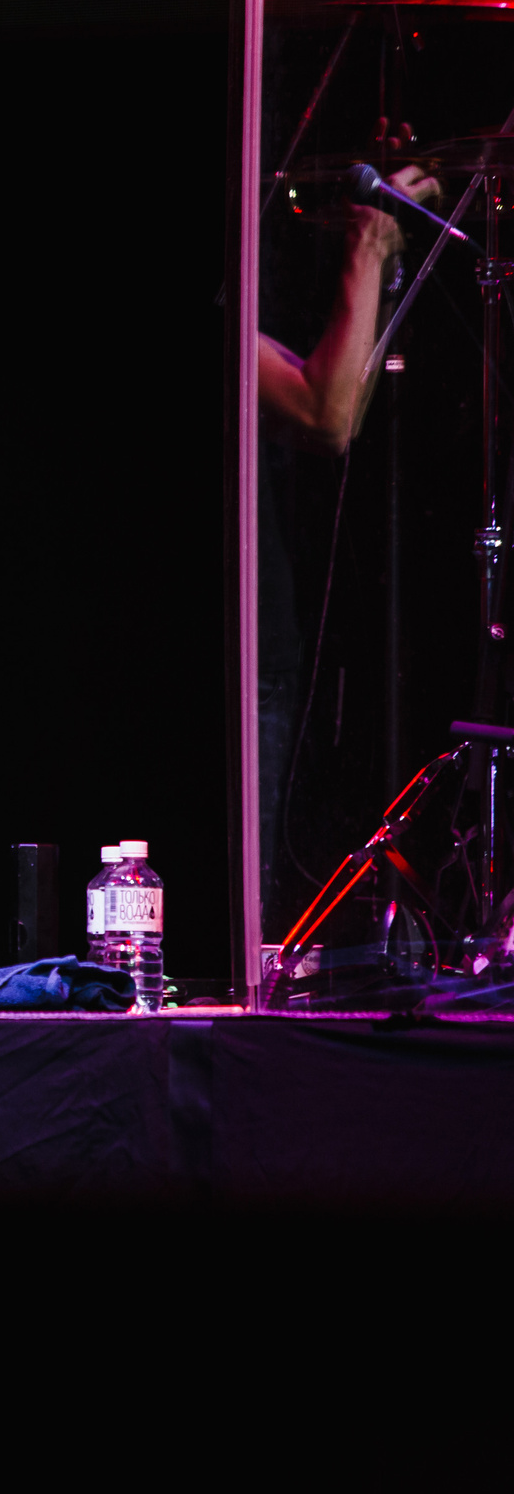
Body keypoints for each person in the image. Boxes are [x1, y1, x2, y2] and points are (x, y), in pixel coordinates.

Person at [254, 161, 441, 925]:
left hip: (270, 649)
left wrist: (382, 256)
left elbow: (346, 404)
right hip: (247, 657)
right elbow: (328, 417)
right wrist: (366, 254)